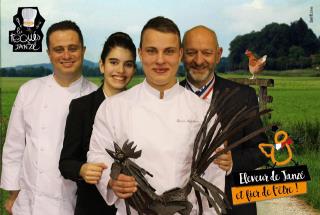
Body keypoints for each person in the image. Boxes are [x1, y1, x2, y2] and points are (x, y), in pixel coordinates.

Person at [87, 16, 225, 215]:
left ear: (179, 55)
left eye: (168, 51)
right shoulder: (113, 107)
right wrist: (111, 179)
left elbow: (214, 175)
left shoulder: (202, 111)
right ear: (140, 54)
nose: (160, 60)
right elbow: (98, 154)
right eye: (152, 51)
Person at [0, 20, 97, 215]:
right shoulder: (29, 91)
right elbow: (14, 146)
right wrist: (13, 193)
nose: (66, 55)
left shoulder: (96, 97)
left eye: (73, 48)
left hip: (74, 203)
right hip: (30, 202)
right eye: (59, 49)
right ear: (49, 53)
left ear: (83, 50)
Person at [181, 25, 268, 215]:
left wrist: (232, 162)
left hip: (232, 206)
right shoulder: (167, 98)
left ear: (218, 54)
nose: (199, 60)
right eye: (191, 52)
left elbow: (262, 151)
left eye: (207, 53)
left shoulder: (242, 96)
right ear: (181, 54)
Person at [59, 32, 136, 215]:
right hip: (92, 207)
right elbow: (66, 162)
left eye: (128, 64)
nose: (121, 71)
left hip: (133, 207)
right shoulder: (81, 107)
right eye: (114, 62)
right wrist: (82, 169)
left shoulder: (142, 107)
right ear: (102, 65)